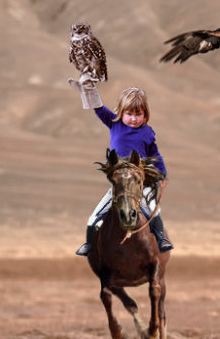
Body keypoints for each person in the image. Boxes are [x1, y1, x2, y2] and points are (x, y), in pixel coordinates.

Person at [74, 86, 172, 256]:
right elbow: (98, 107)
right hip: (119, 183)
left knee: (153, 209)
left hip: (139, 182)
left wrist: (162, 174)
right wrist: (90, 89)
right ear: (121, 112)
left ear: (145, 115)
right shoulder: (114, 124)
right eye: (129, 114)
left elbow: (155, 154)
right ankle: (89, 243)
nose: (133, 119)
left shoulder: (147, 132)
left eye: (138, 114)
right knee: (96, 214)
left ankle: (161, 239)